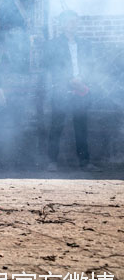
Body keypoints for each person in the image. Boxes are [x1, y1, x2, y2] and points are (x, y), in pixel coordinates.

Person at [46, 11, 99, 172]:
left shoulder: (85, 44)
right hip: (63, 88)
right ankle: (52, 162)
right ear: (62, 24)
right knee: (56, 126)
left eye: (75, 22)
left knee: (81, 127)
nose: (72, 25)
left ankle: (85, 162)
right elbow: (51, 67)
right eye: (69, 22)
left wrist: (82, 80)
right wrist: (68, 80)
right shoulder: (53, 44)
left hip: (81, 88)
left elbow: (90, 65)